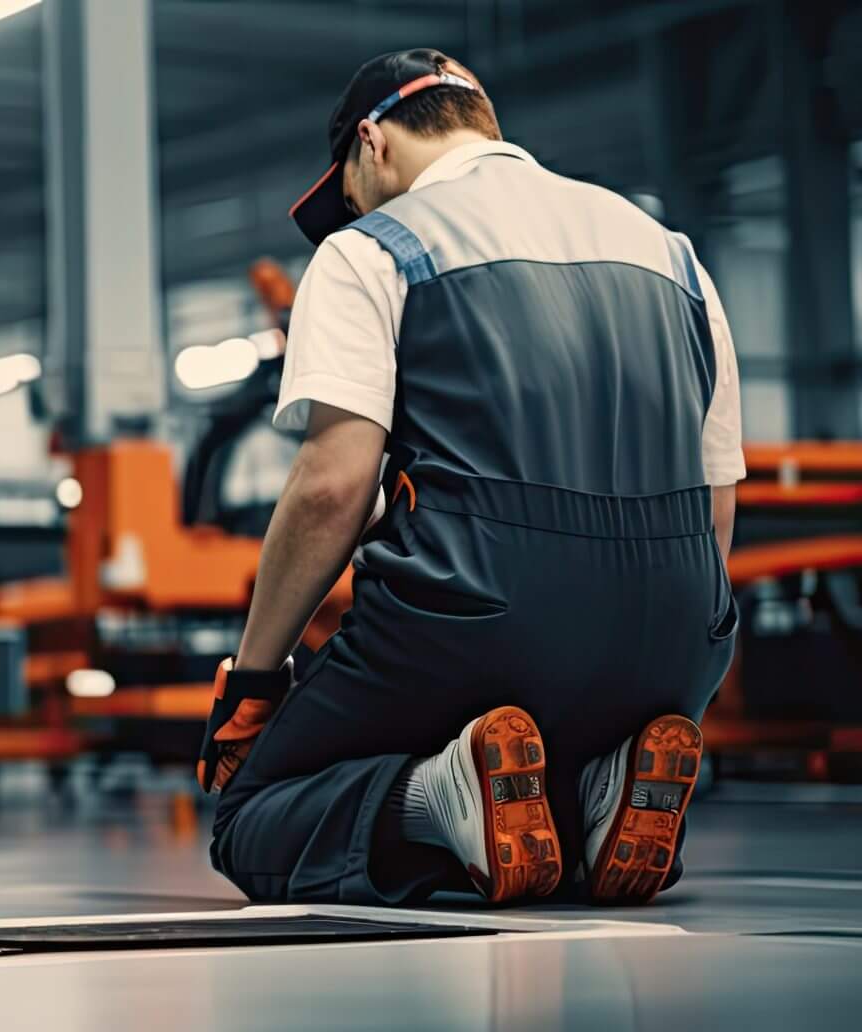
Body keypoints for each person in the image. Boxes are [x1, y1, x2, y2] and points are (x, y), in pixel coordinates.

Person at [199, 48, 743, 907]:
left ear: (372, 144)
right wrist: (675, 650)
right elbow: (716, 500)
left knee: (252, 816)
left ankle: (435, 797)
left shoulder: (374, 249)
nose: (351, 208)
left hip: (473, 618)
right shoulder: (671, 253)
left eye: (346, 187)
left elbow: (332, 486)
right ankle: (598, 789)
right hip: (678, 639)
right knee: (520, 758)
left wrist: (257, 676)